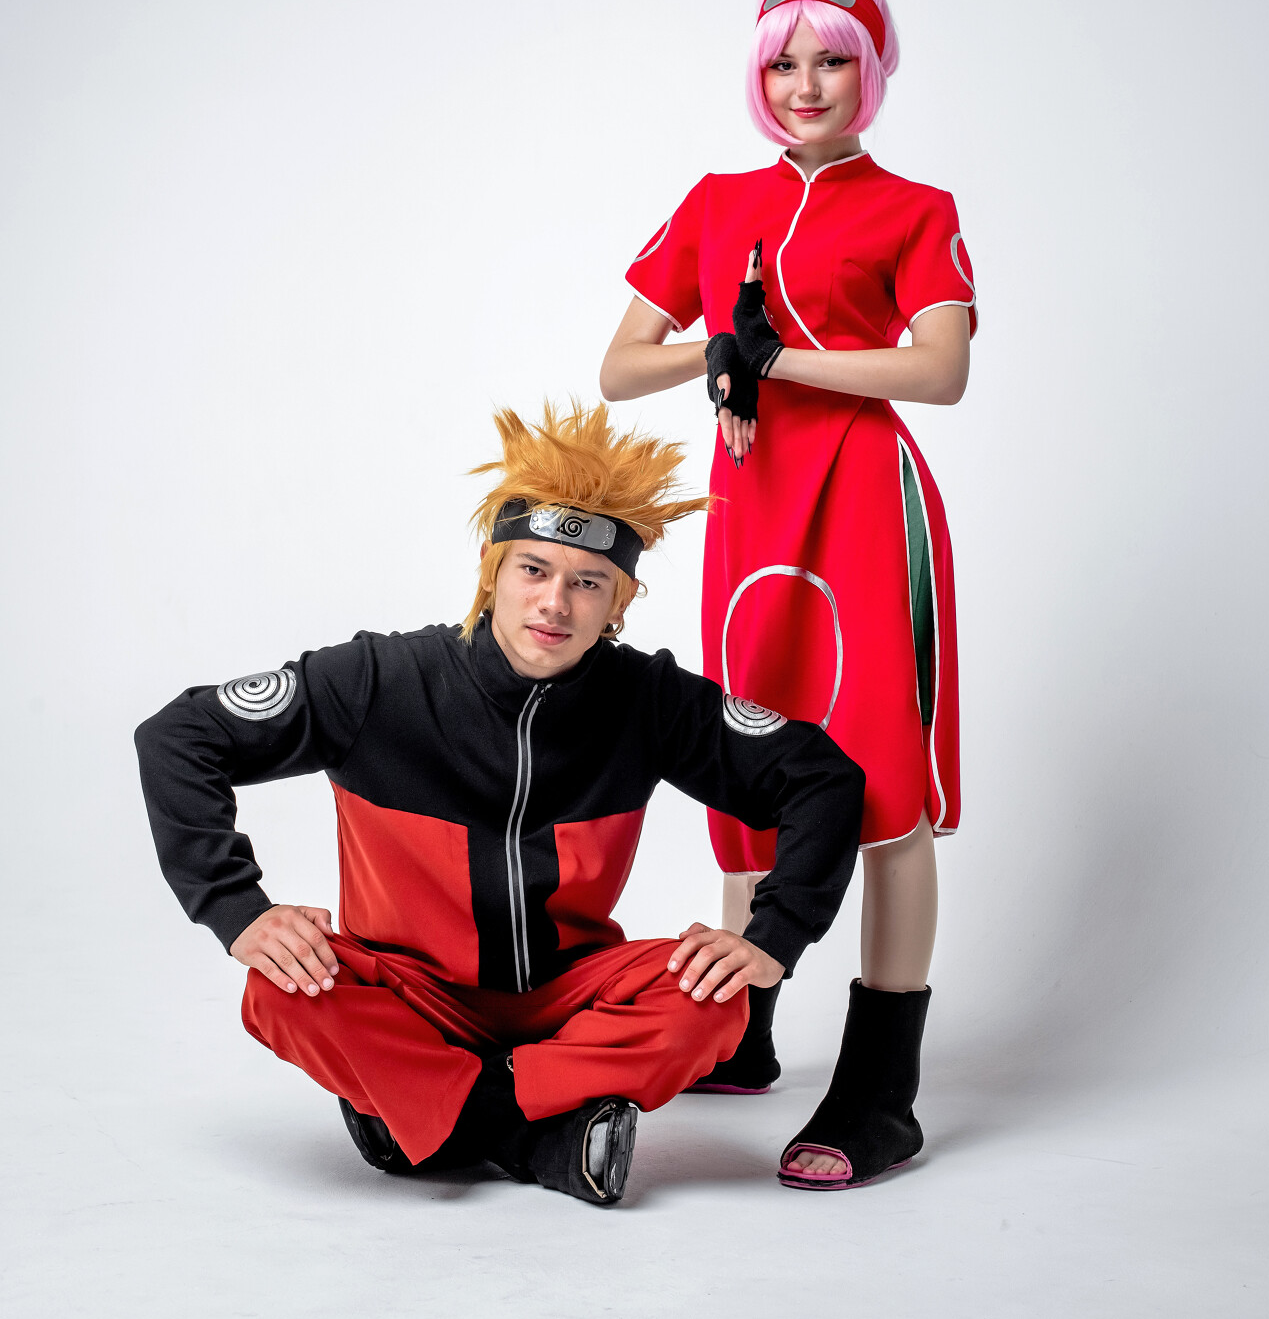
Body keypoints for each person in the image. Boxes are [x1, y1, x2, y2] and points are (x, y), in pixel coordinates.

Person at [135, 401, 865, 1207]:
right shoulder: (377, 680)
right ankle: (537, 1136)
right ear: (491, 572)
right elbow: (178, 737)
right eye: (533, 571)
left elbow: (821, 779)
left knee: (715, 1001)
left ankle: (423, 1114)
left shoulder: (647, 700)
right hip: (408, 992)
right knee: (278, 988)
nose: (555, 603)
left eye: (588, 583)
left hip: (571, 996)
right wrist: (236, 908)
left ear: (620, 602)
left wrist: (774, 937)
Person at [600, 0, 976, 1189]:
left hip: (864, 503)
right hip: (749, 510)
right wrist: (719, 347)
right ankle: (744, 1025)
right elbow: (620, 365)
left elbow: (939, 372)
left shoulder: (915, 208)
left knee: (879, 777)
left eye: (831, 60)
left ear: (872, 72)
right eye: (782, 62)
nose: (805, 85)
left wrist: (785, 360)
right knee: (746, 757)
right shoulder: (717, 203)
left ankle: (882, 1090)